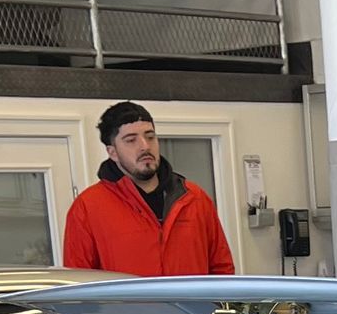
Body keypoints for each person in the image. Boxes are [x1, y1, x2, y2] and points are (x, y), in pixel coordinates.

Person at [62, 102, 236, 277]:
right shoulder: (87, 208)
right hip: (125, 306)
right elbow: (79, 285)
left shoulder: (194, 198)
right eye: (131, 140)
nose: (145, 146)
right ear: (112, 152)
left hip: (193, 305)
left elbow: (222, 269)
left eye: (150, 136)